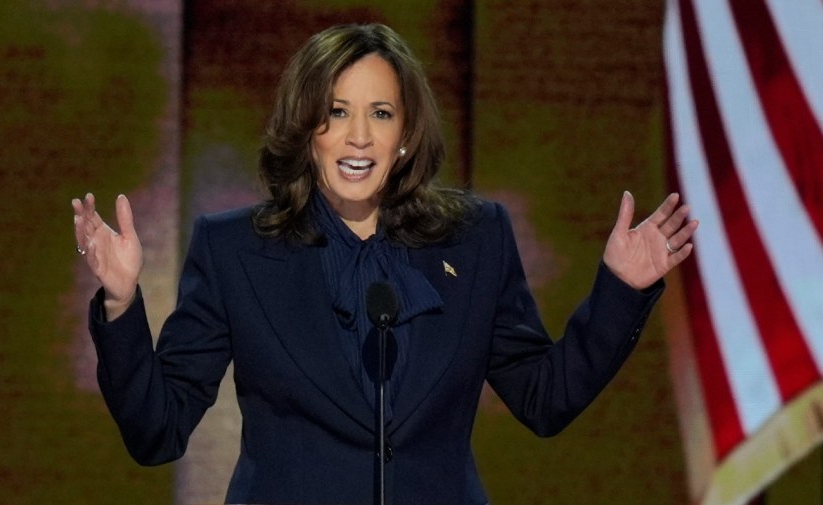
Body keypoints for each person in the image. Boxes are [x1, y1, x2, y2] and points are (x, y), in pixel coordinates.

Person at [71, 23, 697, 505]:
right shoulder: (235, 249)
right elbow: (158, 431)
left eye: (381, 113)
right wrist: (122, 304)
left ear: (405, 134)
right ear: (305, 128)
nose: (359, 138)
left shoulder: (475, 239)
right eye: (337, 112)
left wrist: (619, 289)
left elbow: (543, 398)